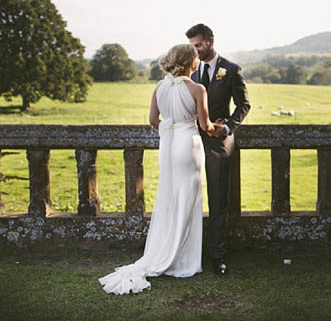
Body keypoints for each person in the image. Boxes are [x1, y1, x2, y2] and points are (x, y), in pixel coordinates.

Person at [99, 44, 214, 295]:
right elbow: (205, 126)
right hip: (188, 145)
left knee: (170, 197)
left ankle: (165, 252)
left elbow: (153, 120)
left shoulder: (160, 87)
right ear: (189, 62)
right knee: (188, 198)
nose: (197, 60)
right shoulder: (197, 88)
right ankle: (183, 261)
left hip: (170, 146)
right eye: (195, 57)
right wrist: (220, 128)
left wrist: (171, 125)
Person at [186, 24, 251, 276]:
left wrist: (227, 129)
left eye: (199, 45)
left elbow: (244, 104)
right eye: (192, 46)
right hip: (190, 138)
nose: (196, 50)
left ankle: (218, 254)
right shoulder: (188, 72)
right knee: (187, 194)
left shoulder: (231, 70)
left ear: (211, 41)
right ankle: (188, 250)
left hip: (219, 140)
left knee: (218, 197)